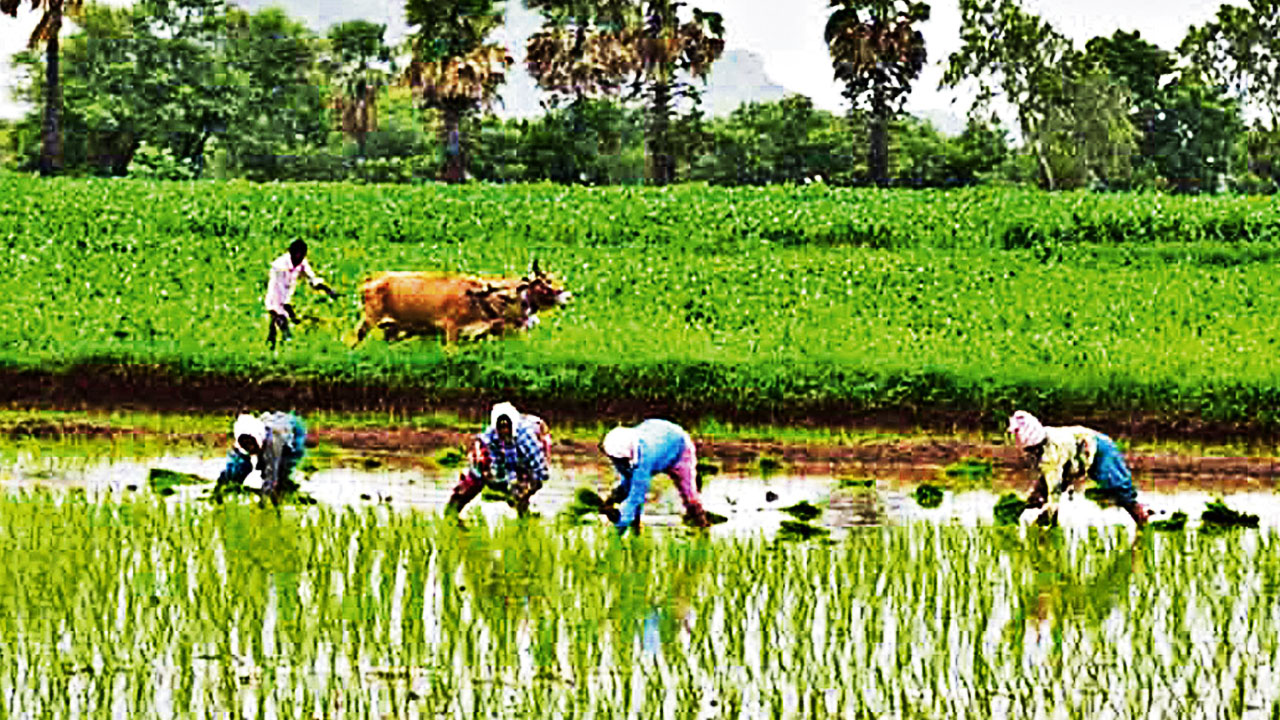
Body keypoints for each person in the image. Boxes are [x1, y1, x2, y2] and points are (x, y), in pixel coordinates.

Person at [1008, 410, 1150, 528]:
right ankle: (1048, 523)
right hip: (1075, 457)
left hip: (1099, 449)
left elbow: (1055, 487)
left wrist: (1049, 511)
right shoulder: (1044, 443)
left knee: (1117, 488)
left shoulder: (1051, 454)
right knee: (1040, 492)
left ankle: (1142, 518)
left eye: (1031, 450)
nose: (1029, 454)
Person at [599, 419, 710, 535]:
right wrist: (612, 500)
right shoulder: (623, 452)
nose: (615, 463)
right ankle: (635, 532)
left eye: (618, 460)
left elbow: (637, 496)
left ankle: (703, 529)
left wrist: (619, 525)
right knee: (629, 488)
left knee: (689, 495)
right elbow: (628, 481)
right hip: (657, 437)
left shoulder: (644, 458)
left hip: (679, 449)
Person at [445, 403, 551, 519]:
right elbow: (500, 466)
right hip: (504, 456)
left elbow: (541, 472)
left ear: (512, 425)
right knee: (480, 476)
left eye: (507, 426)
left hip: (537, 437)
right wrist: (505, 482)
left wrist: (527, 487)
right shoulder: (490, 438)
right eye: (501, 427)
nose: (504, 430)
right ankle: (452, 512)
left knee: (523, 488)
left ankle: (524, 511)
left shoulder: (526, 439)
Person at [215, 412, 309, 505]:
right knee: (239, 470)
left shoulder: (274, 444)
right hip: (267, 436)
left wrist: (264, 498)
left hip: (291, 440)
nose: (249, 447)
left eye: (251, 443)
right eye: (245, 444)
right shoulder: (241, 445)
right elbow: (233, 465)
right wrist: (220, 486)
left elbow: (272, 473)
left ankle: (286, 493)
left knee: (281, 475)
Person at [265, 239, 339, 350]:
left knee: (274, 330)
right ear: (291, 253)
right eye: (298, 255)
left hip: (285, 298)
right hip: (275, 299)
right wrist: (290, 312)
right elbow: (278, 293)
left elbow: (312, 279)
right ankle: (285, 350)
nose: (300, 258)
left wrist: (327, 290)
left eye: (303, 255)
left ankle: (271, 349)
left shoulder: (301, 262)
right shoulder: (279, 267)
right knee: (284, 327)